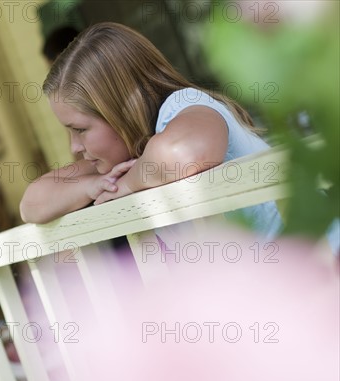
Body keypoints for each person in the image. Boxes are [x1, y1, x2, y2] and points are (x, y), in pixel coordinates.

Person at [19, 22, 282, 240]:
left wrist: (127, 184)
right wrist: (95, 186)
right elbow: (31, 204)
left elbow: (185, 153)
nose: (74, 147)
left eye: (80, 129)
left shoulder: (182, 106)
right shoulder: (120, 159)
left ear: (119, 110)